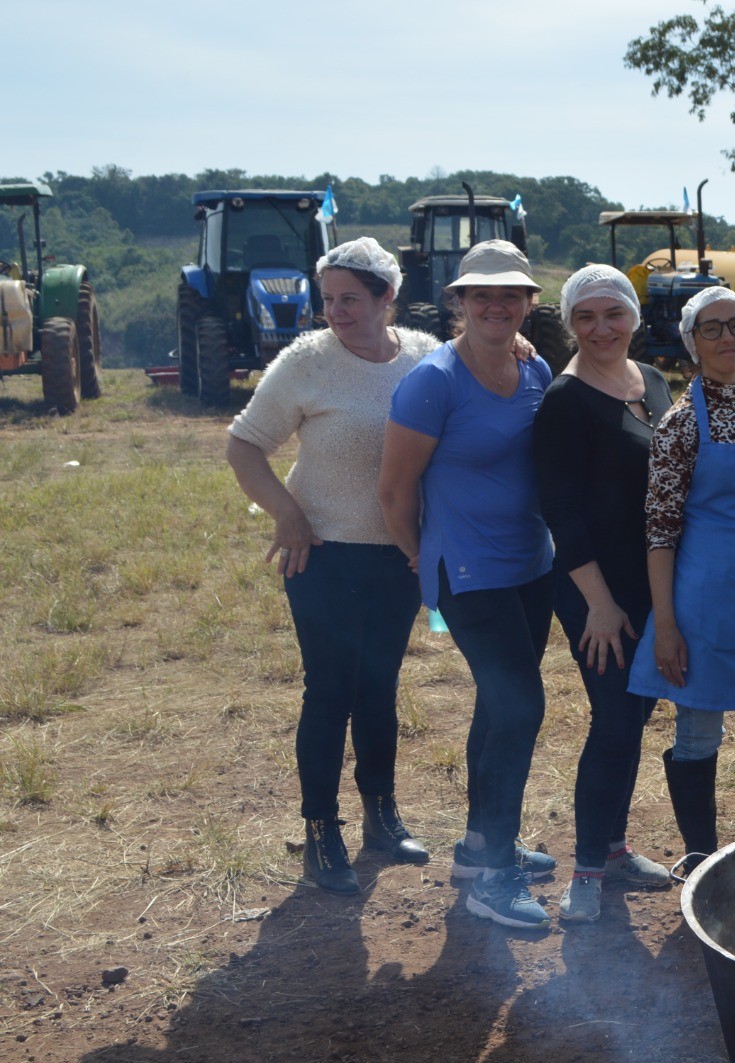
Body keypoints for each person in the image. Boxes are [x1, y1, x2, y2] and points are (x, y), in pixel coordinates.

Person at [227, 237, 436, 894]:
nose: (337, 313)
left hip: (401, 555)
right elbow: (244, 446)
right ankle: (321, 829)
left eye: (350, 298)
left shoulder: (427, 357)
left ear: (386, 298)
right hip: (319, 555)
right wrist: (287, 515)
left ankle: (381, 814)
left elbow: (479, 374)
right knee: (331, 690)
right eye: (329, 300)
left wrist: (516, 349)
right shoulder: (306, 362)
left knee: (379, 687)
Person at [377, 239, 560, 930]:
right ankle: (495, 877)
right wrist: (426, 562)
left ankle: (483, 843)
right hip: (468, 573)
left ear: (527, 304)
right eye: (480, 294)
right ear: (459, 303)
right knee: (520, 707)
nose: (495, 304)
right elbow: (394, 490)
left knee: (500, 703)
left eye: (510, 293)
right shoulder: (434, 381)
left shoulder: (535, 366)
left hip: (530, 565)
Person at [629, 286, 735, 872]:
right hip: (700, 599)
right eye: (712, 329)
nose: (728, 337)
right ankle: (700, 858)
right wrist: (666, 627)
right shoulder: (679, 424)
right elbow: (658, 532)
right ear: (691, 344)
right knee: (699, 733)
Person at [531, 265, 676, 924]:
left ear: (634, 317)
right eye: (584, 317)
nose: (600, 328)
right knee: (614, 721)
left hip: (653, 585)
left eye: (612, 313)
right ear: (569, 324)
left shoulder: (655, 382)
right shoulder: (564, 400)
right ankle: (587, 869)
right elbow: (560, 512)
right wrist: (599, 601)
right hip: (598, 591)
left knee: (635, 718)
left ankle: (614, 851)